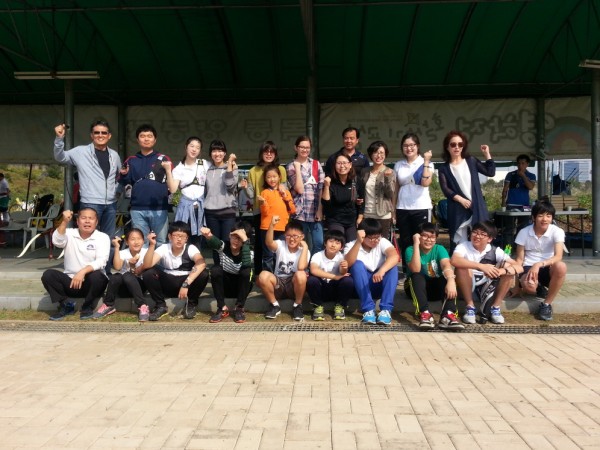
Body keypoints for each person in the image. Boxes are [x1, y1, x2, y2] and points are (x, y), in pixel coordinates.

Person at [53, 121, 121, 242]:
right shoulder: (80, 151)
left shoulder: (114, 155)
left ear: (109, 136)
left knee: (108, 240)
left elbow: (119, 175)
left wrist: (117, 192)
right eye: (97, 132)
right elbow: (60, 157)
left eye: (104, 133)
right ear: (91, 135)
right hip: (90, 202)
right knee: (87, 238)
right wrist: (59, 139)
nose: (100, 135)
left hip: (110, 204)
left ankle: (107, 256)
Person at [41, 208, 110, 321]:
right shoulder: (69, 233)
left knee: (98, 276)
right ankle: (66, 305)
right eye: (83, 218)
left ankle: (87, 306)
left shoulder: (102, 237)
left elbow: (101, 261)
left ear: (96, 222)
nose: (87, 221)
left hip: (90, 283)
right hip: (71, 282)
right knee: (48, 275)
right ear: (77, 221)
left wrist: (82, 272)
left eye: (91, 218)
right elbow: (57, 242)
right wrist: (64, 221)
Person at [451, 221, 520, 324]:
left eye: (482, 234)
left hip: (488, 289)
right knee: (461, 268)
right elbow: (454, 260)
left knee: (508, 268)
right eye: (475, 232)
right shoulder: (463, 246)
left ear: (490, 239)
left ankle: (495, 308)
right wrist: (481, 266)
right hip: (466, 288)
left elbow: (518, 266)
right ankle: (470, 307)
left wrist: (502, 271)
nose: (477, 236)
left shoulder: (495, 251)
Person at [438, 130, 495, 248]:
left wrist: (487, 154)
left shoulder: (471, 160)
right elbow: (445, 188)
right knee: (460, 243)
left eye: (460, 144)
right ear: (447, 147)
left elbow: (490, 172)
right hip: (458, 207)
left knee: (481, 237)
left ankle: (482, 260)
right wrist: (460, 199)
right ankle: (461, 260)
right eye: (453, 144)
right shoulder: (444, 168)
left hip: (477, 206)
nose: (457, 147)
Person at [119, 124, 174, 246]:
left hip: (159, 209)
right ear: (137, 140)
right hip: (137, 209)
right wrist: (123, 174)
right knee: (140, 243)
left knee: (160, 242)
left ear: (155, 139)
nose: (146, 139)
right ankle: (142, 260)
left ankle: (158, 260)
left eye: (149, 136)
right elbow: (124, 182)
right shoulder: (131, 160)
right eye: (142, 136)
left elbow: (172, 183)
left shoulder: (164, 159)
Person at [142, 221, 209, 321]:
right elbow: (147, 265)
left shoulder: (191, 248)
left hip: (186, 284)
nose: (179, 239)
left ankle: (191, 304)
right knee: (148, 273)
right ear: (169, 236)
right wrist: (152, 245)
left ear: (186, 238)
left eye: (183, 236)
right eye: (176, 235)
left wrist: (186, 284)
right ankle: (160, 305)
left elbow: (202, 263)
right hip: (168, 282)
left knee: (204, 274)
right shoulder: (164, 248)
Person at [514, 201, 567, 321]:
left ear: (552, 218)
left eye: (548, 216)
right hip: (528, 267)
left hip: (548, 266)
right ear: (533, 217)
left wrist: (539, 264)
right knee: (530, 287)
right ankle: (538, 288)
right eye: (540, 215)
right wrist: (517, 286)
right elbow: (519, 260)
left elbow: (558, 256)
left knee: (561, 266)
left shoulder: (557, 231)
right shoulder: (523, 232)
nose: (544, 219)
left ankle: (547, 304)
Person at [404, 222, 463, 330]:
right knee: (416, 276)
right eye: (425, 236)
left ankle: (448, 315)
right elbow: (415, 269)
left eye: (432, 237)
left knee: (446, 277)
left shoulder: (439, 249)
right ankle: (425, 313)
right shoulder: (410, 249)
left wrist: (451, 281)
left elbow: (446, 265)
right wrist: (416, 244)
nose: (429, 240)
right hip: (415, 288)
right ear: (418, 236)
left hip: (435, 289)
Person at [241, 141, 288, 276]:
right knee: (260, 244)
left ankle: (279, 273)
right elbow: (251, 195)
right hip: (260, 212)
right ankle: (258, 273)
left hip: (278, 213)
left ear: (275, 154)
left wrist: (283, 188)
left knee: (278, 243)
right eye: (266, 152)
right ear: (261, 154)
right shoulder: (253, 171)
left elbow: (284, 190)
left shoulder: (281, 169)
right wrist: (245, 188)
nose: (268, 154)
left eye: (271, 152)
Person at [345, 218, 399, 326]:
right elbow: (348, 263)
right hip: (360, 288)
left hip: (378, 283)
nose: (375, 241)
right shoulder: (351, 245)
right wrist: (358, 242)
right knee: (357, 265)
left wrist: (382, 270)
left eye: (377, 237)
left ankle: (386, 310)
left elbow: (394, 256)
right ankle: (368, 310)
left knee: (392, 267)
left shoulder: (383, 242)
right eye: (371, 238)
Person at [393, 133, 433, 272]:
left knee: (423, 239)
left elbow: (425, 182)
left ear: (418, 146)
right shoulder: (399, 165)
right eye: (405, 145)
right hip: (402, 208)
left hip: (421, 207)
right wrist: (394, 209)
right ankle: (408, 271)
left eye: (412, 145)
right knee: (406, 241)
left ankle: (424, 270)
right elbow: (396, 188)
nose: (409, 148)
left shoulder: (426, 163)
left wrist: (426, 161)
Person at [257, 216, 310, 321]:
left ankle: (297, 305)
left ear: (302, 237)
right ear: (285, 236)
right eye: (288, 235)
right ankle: (274, 305)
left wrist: (305, 247)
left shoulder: (305, 251)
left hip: (293, 284)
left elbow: (301, 267)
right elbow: (268, 243)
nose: (292, 239)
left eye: (295, 236)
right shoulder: (281, 244)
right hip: (279, 283)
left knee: (301, 274)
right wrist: (272, 225)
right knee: (263, 275)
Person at [201, 221, 254, 324]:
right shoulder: (224, 246)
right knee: (215, 269)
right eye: (234, 237)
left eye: (240, 238)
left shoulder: (249, 251)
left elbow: (246, 263)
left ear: (245, 240)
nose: (236, 241)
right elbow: (215, 243)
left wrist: (246, 241)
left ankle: (239, 308)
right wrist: (209, 235)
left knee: (247, 271)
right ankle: (222, 308)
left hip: (240, 288)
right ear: (229, 236)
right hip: (225, 286)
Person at [92, 228, 150, 321]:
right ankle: (108, 305)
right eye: (132, 239)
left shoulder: (146, 252)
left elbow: (148, 265)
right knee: (116, 276)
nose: (136, 242)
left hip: (139, 287)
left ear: (143, 241)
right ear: (127, 242)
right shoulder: (123, 253)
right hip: (123, 288)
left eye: (139, 239)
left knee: (127, 275)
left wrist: (133, 266)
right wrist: (117, 247)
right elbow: (117, 267)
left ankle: (142, 306)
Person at [287, 136, 325, 254]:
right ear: (296, 148)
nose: (305, 150)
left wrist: (319, 209)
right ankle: (301, 264)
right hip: (299, 212)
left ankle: (312, 264)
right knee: (298, 244)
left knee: (319, 243)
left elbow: (321, 188)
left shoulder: (316, 164)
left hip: (314, 212)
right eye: (302, 147)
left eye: (307, 147)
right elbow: (299, 189)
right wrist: (298, 168)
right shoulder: (291, 166)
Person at [203, 139, 239, 265]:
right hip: (211, 212)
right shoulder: (207, 170)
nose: (217, 154)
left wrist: (229, 165)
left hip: (227, 212)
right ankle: (217, 269)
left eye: (220, 151)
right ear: (210, 154)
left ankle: (228, 269)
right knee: (214, 243)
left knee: (227, 243)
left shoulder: (232, 167)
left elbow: (230, 185)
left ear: (225, 153)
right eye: (214, 151)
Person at [168, 136, 207, 249]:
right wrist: (168, 170)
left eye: (198, 147)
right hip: (185, 208)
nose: (194, 149)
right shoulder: (179, 168)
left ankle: (197, 259)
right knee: (183, 237)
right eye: (192, 146)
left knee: (198, 239)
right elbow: (173, 189)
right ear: (186, 147)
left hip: (200, 208)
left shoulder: (204, 164)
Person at [307, 229, 354, 321]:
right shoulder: (317, 255)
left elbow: (342, 273)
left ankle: (340, 306)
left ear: (341, 247)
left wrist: (344, 268)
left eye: (337, 243)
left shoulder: (342, 257)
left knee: (348, 280)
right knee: (311, 280)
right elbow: (313, 270)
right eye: (331, 241)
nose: (333, 245)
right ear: (325, 243)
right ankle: (317, 306)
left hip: (335, 289)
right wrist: (335, 277)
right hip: (321, 288)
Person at [258, 164, 296, 271]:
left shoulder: (286, 192)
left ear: (279, 177)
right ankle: (268, 277)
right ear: (265, 179)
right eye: (269, 177)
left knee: (281, 254)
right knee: (268, 255)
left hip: (282, 228)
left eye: (274, 176)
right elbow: (265, 213)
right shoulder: (264, 192)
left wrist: (285, 196)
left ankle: (280, 276)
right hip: (267, 228)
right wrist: (263, 203)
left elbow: (292, 210)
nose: (272, 179)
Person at [322, 153, 365, 243]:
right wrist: (326, 186)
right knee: (337, 242)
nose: (342, 166)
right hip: (335, 220)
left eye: (344, 163)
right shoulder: (330, 181)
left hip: (351, 221)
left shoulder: (356, 180)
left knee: (352, 245)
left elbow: (362, 200)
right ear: (334, 165)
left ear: (350, 165)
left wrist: (360, 218)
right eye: (339, 163)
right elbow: (326, 204)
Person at [360, 140, 396, 239]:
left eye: (381, 153)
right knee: (367, 242)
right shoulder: (365, 171)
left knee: (382, 242)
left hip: (383, 215)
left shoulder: (390, 171)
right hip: (367, 214)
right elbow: (361, 191)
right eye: (375, 152)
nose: (378, 155)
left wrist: (387, 178)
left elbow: (390, 194)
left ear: (385, 155)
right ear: (371, 155)